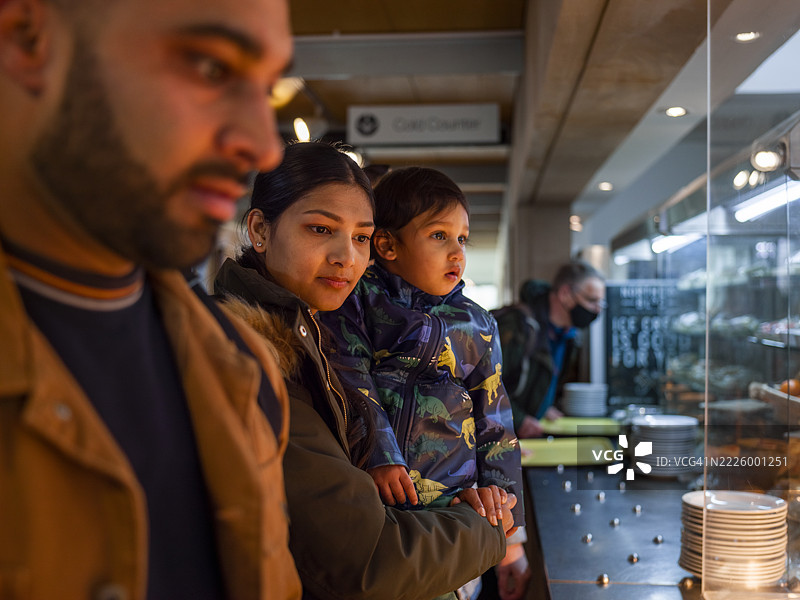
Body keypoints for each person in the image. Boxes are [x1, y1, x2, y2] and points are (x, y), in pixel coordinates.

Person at [0, 0, 301, 598]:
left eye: (267, 91)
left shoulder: (242, 369)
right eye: (211, 68)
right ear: (28, 39)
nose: (263, 147)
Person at [214, 142, 518, 600]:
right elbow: (368, 561)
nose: (346, 257)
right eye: (320, 229)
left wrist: (500, 499)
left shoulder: (314, 336)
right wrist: (491, 529)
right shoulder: (256, 356)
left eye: (359, 238)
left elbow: (495, 413)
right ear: (259, 228)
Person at [319, 167, 527, 600]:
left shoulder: (479, 324)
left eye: (462, 239)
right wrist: (379, 453)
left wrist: (510, 533)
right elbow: (349, 376)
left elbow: (497, 423)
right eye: (439, 236)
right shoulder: (356, 302)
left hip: (454, 513)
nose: (457, 253)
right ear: (388, 245)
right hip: (380, 508)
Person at [492, 261, 606, 438]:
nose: (597, 309)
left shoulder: (569, 336)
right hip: (500, 438)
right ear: (565, 294)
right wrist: (519, 420)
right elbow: (486, 387)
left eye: (600, 302)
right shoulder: (516, 327)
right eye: (591, 300)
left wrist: (543, 407)